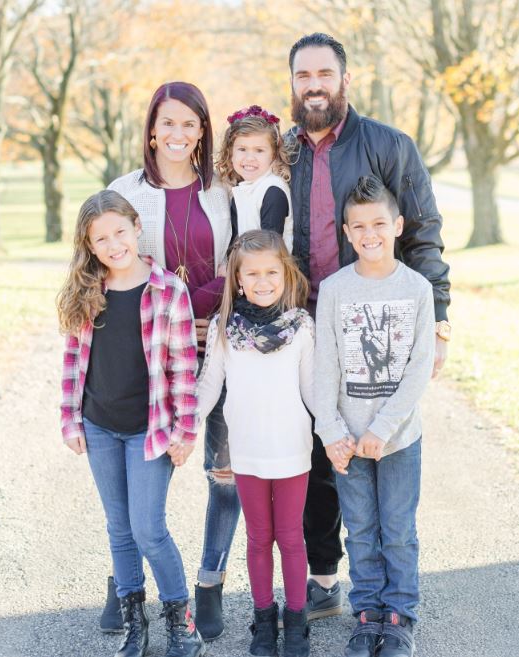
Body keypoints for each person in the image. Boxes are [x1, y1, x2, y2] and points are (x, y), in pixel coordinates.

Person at [285, 32, 451, 621]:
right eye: (303, 76)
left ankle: (390, 596)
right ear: (293, 83)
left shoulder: (388, 145)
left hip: (373, 319)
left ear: (344, 80)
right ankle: (327, 577)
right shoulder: (283, 151)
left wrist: (440, 321)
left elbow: (423, 231)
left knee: (373, 448)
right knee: (315, 451)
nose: (314, 85)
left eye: (324, 74)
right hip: (299, 326)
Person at [107, 81, 241, 641]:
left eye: (190, 123)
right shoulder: (125, 191)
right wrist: (183, 314)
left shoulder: (224, 191)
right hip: (150, 352)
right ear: (151, 129)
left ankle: (208, 583)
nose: (178, 134)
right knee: (136, 480)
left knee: (225, 470)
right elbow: (112, 269)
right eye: (168, 123)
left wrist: (206, 310)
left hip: (219, 342)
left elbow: (240, 259)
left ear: (204, 129)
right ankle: (125, 581)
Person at [57, 190, 205, 657]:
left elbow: (183, 368)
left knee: (148, 528)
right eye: (100, 238)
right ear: (89, 244)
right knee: (118, 528)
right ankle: (133, 622)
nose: (112, 243)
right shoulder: (86, 291)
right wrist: (70, 419)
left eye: (119, 231)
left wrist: (185, 431)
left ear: (136, 226)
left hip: (151, 429)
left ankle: (182, 621)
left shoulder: (167, 290)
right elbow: (73, 360)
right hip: (100, 426)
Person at [314, 176, 435, 657]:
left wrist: (383, 430)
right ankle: (367, 614)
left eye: (379, 224)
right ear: (346, 231)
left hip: (400, 438)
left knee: (399, 531)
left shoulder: (417, 289)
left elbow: (419, 367)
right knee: (360, 529)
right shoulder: (335, 289)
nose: (370, 234)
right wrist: (332, 432)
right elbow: (325, 366)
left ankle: (400, 613)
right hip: (347, 440)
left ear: (398, 225)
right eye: (359, 226)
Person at [198, 230, 313, 657]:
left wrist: (336, 432)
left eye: (271, 272)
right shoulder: (225, 329)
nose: (263, 282)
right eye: (253, 274)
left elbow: (313, 390)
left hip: (292, 450)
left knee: (291, 537)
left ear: (285, 274)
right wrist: (185, 428)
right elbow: (209, 385)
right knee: (258, 537)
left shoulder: (301, 326)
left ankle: (297, 621)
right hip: (246, 451)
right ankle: (264, 618)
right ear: (238, 279)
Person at [216, 104, 293, 250]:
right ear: (230, 152)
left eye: (259, 150)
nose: (249, 158)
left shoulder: (273, 191)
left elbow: (268, 250)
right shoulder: (243, 188)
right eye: (242, 149)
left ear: (274, 154)